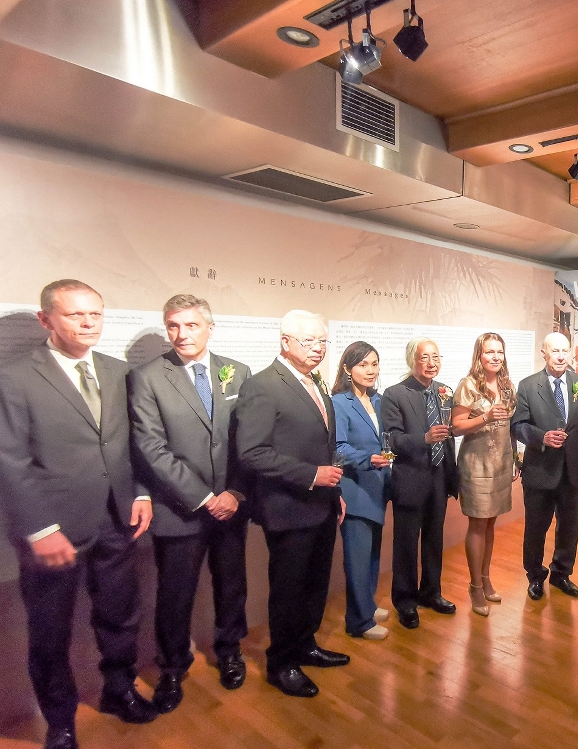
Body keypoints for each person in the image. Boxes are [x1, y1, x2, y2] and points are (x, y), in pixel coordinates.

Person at [0, 280, 156, 749]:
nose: (88, 323)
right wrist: (39, 528)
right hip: (53, 529)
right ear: (46, 319)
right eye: (75, 315)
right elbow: (9, 460)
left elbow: (135, 442)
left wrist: (142, 493)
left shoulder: (118, 371)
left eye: (95, 314)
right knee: (50, 631)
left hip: (116, 518)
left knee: (120, 613)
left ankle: (119, 690)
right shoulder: (15, 377)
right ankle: (60, 722)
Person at [128, 294, 251, 714]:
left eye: (191, 325)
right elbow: (150, 447)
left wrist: (235, 492)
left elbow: (247, 442)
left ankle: (230, 650)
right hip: (179, 509)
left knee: (231, 585)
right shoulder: (147, 376)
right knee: (175, 594)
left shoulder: (237, 372)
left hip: (231, 505)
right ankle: (172, 667)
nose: (182, 334)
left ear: (209, 328)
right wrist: (203, 497)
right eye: (173, 326)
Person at [234, 309, 348, 698]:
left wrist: (334, 493)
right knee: (289, 589)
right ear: (285, 342)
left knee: (315, 585)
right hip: (288, 507)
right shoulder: (263, 385)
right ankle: (281, 663)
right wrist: (312, 475)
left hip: (321, 505)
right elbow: (252, 452)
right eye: (309, 340)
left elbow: (323, 447)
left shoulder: (314, 381)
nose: (318, 348)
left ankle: (305, 645)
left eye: (322, 341)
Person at [511, 332, 578, 601]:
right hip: (540, 470)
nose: (561, 356)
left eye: (565, 351)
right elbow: (518, 426)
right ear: (544, 354)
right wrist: (542, 437)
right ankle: (535, 576)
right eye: (555, 351)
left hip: (572, 470)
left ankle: (562, 574)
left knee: (569, 528)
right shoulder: (528, 386)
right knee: (536, 529)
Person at [381, 338, 460, 630]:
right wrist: (424, 439)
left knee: (434, 539)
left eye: (435, 357)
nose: (431, 363)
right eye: (424, 357)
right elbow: (391, 440)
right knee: (406, 543)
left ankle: (431, 593)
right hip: (410, 477)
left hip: (439, 475)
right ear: (411, 359)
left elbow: (450, 434)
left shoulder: (445, 391)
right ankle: (405, 601)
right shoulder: (395, 394)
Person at [451, 333, 518, 616]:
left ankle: (486, 578)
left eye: (499, 352)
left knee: (491, 524)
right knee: (478, 525)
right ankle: (475, 586)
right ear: (479, 355)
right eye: (489, 352)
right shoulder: (468, 385)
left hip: (501, 462)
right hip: (476, 464)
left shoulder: (507, 385)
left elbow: (511, 427)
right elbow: (456, 427)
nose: (495, 357)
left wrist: (515, 458)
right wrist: (485, 417)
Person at [330, 341, 392, 640]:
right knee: (357, 558)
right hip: (354, 488)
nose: (370, 370)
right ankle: (358, 621)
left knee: (372, 554)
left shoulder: (379, 400)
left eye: (374, 364)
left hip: (378, 486)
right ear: (347, 368)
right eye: (363, 364)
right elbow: (338, 447)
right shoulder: (339, 402)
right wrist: (367, 459)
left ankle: (367, 605)